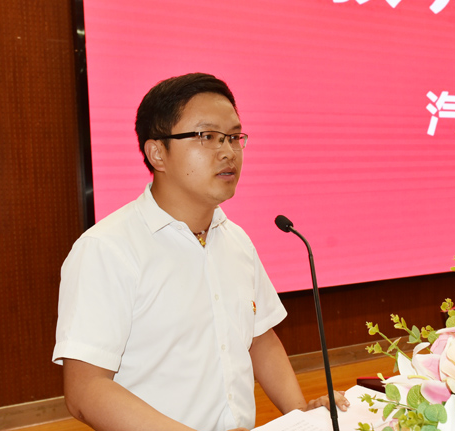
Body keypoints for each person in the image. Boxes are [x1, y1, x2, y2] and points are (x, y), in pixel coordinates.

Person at [52, 72, 348, 431]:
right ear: (157, 153)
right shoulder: (106, 249)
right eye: (207, 136)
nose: (228, 152)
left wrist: (300, 415)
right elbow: (85, 390)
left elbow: (259, 339)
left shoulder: (235, 239)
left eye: (234, 137)